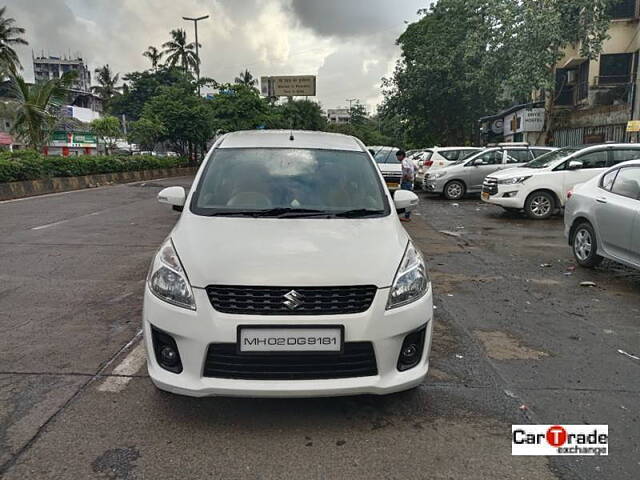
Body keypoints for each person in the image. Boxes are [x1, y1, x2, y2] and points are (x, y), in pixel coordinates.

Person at [396, 149, 415, 222]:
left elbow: (406, 170)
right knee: (408, 198)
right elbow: (415, 168)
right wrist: (412, 176)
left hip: (406, 181)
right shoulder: (409, 160)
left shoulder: (404, 162)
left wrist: (406, 177)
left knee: (405, 198)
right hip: (410, 181)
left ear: (401, 156)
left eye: (397, 157)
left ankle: (406, 216)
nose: (397, 158)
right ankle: (407, 215)